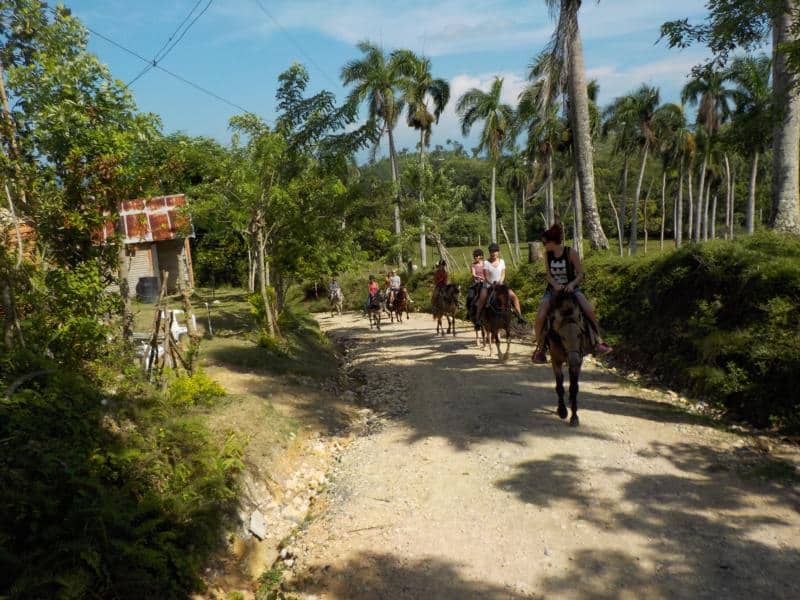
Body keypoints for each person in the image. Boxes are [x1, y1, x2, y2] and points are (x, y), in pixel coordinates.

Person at [532, 223, 612, 363]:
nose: (544, 246)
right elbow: (548, 275)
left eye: (545, 243)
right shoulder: (547, 255)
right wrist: (555, 285)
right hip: (552, 291)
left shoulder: (571, 253)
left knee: (588, 310)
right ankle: (540, 348)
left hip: (572, 289)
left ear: (552, 242)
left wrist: (572, 284)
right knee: (540, 316)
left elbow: (580, 273)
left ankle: (598, 341)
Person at [473, 243, 526, 325]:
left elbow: (503, 274)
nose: (493, 253)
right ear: (489, 252)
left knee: (514, 296)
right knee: (482, 299)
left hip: (500, 285)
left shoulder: (502, 261)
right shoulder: (486, 262)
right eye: (492, 251)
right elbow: (486, 276)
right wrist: (492, 284)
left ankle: (519, 316)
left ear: (498, 252)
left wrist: (500, 282)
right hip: (488, 285)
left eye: (495, 251)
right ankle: (478, 319)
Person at [467, 248, 486, 322]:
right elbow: (473, 274)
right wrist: (478, 277)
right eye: (474, 256)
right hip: (476, 283)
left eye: (477, 256)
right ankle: (469, 312)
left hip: (485, 282)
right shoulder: (473, 265)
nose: (475, 257)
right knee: (470, 297)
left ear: (481, 256)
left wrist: (486, 279)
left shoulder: (485, 264)